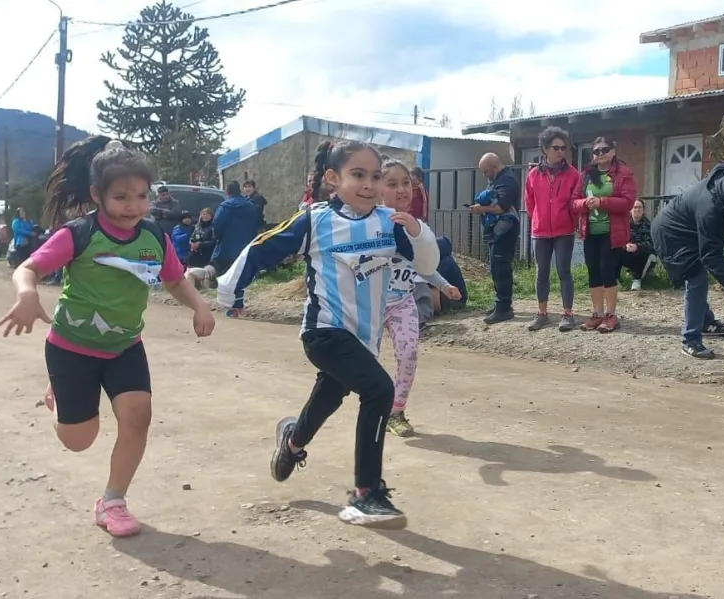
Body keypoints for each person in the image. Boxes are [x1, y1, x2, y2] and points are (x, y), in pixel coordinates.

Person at [0, 136, 215, 538]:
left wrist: (199, 305)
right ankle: (62, 392)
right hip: (71, 349)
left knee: (138, 417)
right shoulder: (78, 233)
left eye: (140, 196)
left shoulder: (154, 238)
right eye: (121, 197)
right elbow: (27, 268)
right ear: (98, 195)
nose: (132, 206)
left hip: (124, 347)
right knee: (79, 440)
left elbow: (174, 281)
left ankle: (113, 501)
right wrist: (27, 294)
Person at [217, 140, 439, 528]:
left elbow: (427, 262)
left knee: (330, 395)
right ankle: (366, 494)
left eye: (375, 177)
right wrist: (231, 291)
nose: (369, 185)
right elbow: (261, 249)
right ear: (334, 179)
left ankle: (292, 442)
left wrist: (419, 232)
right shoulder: (315, 219)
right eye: (358, 175)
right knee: (380, 390)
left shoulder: (390, 223)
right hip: (323, 332)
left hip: (363, 340)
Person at [378, 155, 461, 438]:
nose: (402, 189)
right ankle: (373, 408)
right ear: (377, 187)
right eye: (392, 184)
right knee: (364, 361)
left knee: (409, 352)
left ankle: (396, 411)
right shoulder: (366, 226)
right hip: (369, 307)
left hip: (402, 302)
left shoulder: (417, 227)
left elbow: (423, 265)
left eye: (406, 183)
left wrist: (444, 284)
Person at [652, 166, 724, 359]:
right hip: (671, 234)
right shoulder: (711, 207)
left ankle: (706, 323)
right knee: (697, 278)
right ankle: (691, 341)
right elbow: (711, 255)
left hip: (690, 228)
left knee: (700, 277)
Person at [571, 137, 636, 333]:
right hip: (590, 232)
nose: (600, 154)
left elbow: (628, 202)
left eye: (605, 150)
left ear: (613, 151)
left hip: (612, 232)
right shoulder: (585, 176)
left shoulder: (623, 173)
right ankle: (597, 314)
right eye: (596, 151)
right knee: (593, 272)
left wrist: (602, 202)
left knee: (607, 270)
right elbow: (573, 201)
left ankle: (611, 315)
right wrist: (584, 204)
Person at [525, 126, 580, 332]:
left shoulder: (573, 174)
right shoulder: (532, 175)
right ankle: (542, 314)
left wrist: (568, 220)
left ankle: (567, 314)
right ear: (545, 149)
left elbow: (575, 202)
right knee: (542, 273)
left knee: (564, 272)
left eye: (563, 148)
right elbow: (529, 203)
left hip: (564, 231)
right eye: (556, 147)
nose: (561, 151)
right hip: (540, 232)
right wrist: (539, 219)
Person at [475, 153, 520, 324]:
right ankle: (500, 303)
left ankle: (504, 307)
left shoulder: (507, 180)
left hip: (506, 230)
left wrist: (481, 209)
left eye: (486, 172)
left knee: (501, 267)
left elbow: (501, 207)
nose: (485, 176)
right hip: (498, 230)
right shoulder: (498, 179)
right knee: (496, 266)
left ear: (494, 167)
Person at [211, 180, 261, 276]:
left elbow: (217, 224)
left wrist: (217, 237)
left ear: (227, 192)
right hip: (245, 246)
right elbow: (256, 223)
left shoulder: (225, 207)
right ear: (239, 191)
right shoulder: (250, 206)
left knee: (223, 274)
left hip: (226, 248)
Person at [621, 199, 658, 291]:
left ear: (643, 210)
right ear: (630, 209)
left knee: (646, 253)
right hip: (627, 251)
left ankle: (637, 279)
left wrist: (637, 247)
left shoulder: (649, 225)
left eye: (640, 207)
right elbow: (618, 238)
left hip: (643, 253)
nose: (637, 210)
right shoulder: (624, 223)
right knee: (615, 249)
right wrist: (625, 245)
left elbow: (652, 243)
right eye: (635, 207)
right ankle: (615, 278)